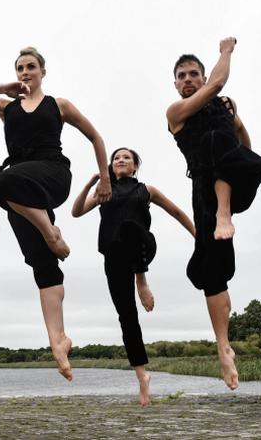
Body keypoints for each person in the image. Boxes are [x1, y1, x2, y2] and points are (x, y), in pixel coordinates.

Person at [0, 47, 112, 381]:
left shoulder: (58, 105)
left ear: (43, 71)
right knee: (43, 263)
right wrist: (3, 87)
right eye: (20, 68)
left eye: (31, 66)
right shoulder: (6, 108)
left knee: (3, 182)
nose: (25, 72)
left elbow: (95, 137)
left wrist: (105, 178)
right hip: (20, 197)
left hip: (52, 176)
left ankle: (51, 233)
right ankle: (58, 341)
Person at [166, 37, 261, 390]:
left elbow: (246, 150)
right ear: (176, 84)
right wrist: (226, 50)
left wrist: (236, 120)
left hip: (239, 184)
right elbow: (218, 84)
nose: (189, 78)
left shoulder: (222, 109)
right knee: (213, 271)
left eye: (195, 73)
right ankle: (223, 346)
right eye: (183, 75)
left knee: (221, 141)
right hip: (205, 192)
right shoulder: (175, 114)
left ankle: (226, 214)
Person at [71, 147, 195, 406]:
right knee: (127, 317)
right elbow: (76, 211)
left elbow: (177, 212)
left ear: (135, 166)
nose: (120, 160)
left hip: (142, 247)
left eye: (126, 157)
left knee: (128, 227)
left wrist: (199, 237)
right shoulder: (105, 192)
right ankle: (142, 377)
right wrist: (91, 184)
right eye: (116, 158)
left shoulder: (146, 190)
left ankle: (142, 281)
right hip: (114, 257)